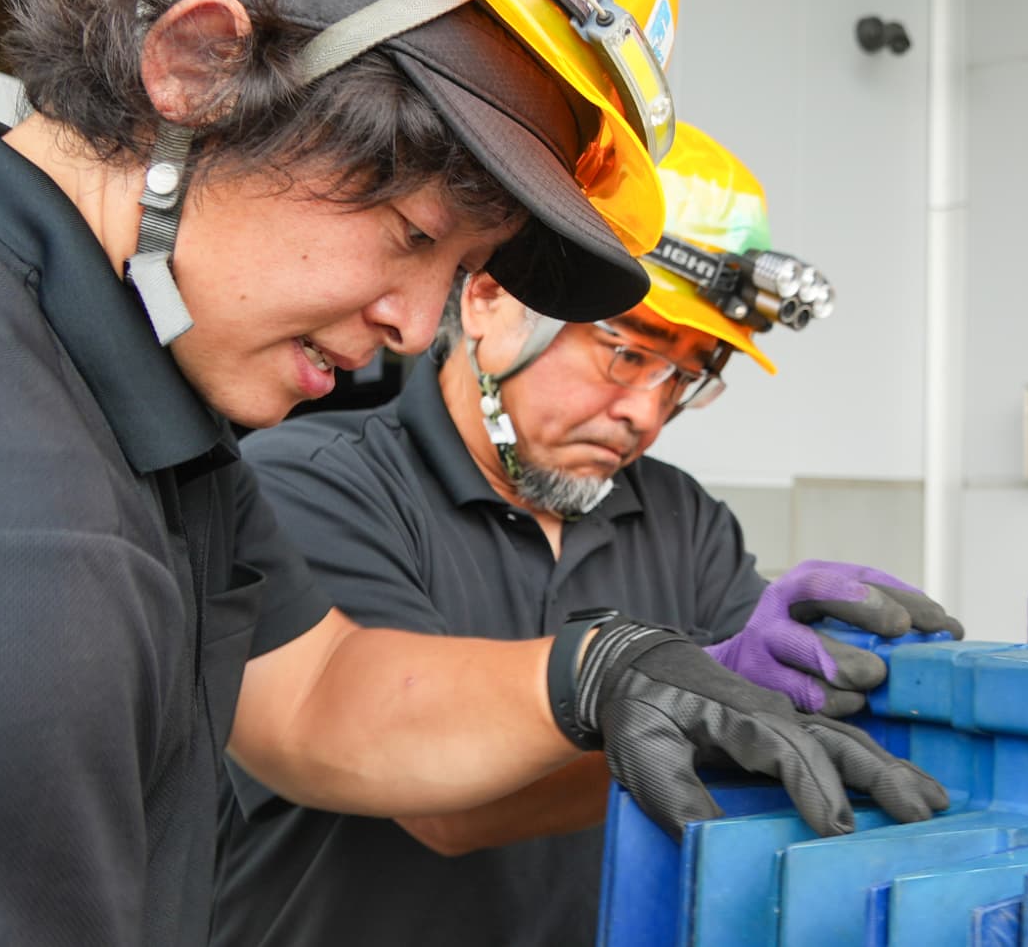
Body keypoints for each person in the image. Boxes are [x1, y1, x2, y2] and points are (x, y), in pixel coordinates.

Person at [0, 0, 941, 946]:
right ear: (195, 69)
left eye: (463, 265)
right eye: (409, 235)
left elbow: (319, 697)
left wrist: (595, 674)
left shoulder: (133, 413)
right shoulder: (11, 516)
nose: (414, 323)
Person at [213, 124, 959, 945]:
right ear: (491, 300)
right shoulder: (309, 483)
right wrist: (666, 705)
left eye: (683, 375)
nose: (646, 411)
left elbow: (787, 724)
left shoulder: (684, 521)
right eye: (624, 351)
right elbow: (434, 803)